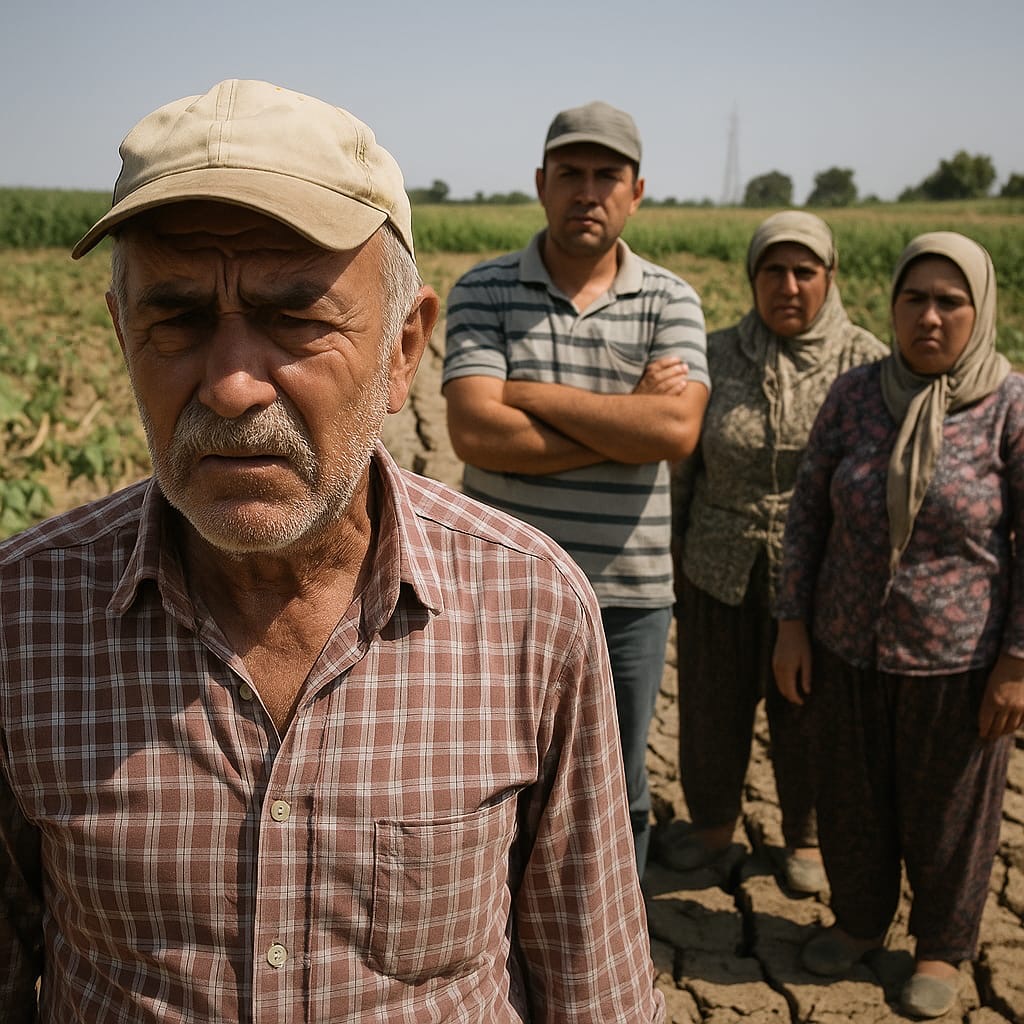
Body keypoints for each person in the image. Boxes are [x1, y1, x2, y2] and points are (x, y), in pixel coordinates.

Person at [0, 80, 665, 1023]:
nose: (231, 385)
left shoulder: (532, 611)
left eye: (295, 319)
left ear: (403, 350)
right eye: (178, 319)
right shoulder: (20, 621)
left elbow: (595, 986)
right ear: (121, 335)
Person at [442, 101, 710, 875]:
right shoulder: (485, 290)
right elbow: (476, 434)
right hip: (500, 586)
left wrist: (526, 391)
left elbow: (674, 436)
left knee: (617, 789)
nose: (586, 192)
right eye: (570, 174)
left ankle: (608, 966)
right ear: (541, 183)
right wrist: (625, 423)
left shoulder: (670, 299)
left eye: (606, 176)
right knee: (492, 777)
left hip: (629, 596)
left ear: (637, 192)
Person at [773, 232, 1024, 1019]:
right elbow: (808, 515)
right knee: (851, 801)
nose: (931, 316)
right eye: (915, 298)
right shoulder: (856, 395)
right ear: (892, 306)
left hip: (959, 663)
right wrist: (792, 624)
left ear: (980, 312)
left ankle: (943, 949)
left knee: (950, 817)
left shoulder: (1009, 406)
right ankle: (857, 922)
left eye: (952, 301)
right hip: (846, 647)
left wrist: (1018, 658)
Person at [669, 212, 887, 889]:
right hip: (717, 563)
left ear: (830, 278)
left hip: (822, 580)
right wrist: (674, 562)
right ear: (752, 278)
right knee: (711, 704)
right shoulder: (717, 353)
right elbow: (683, 472)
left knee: (809, 711)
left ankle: (807, 838)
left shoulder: (867, 364)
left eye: (804, 272)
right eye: (772, 271)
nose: (787, 285)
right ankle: (711, 827)